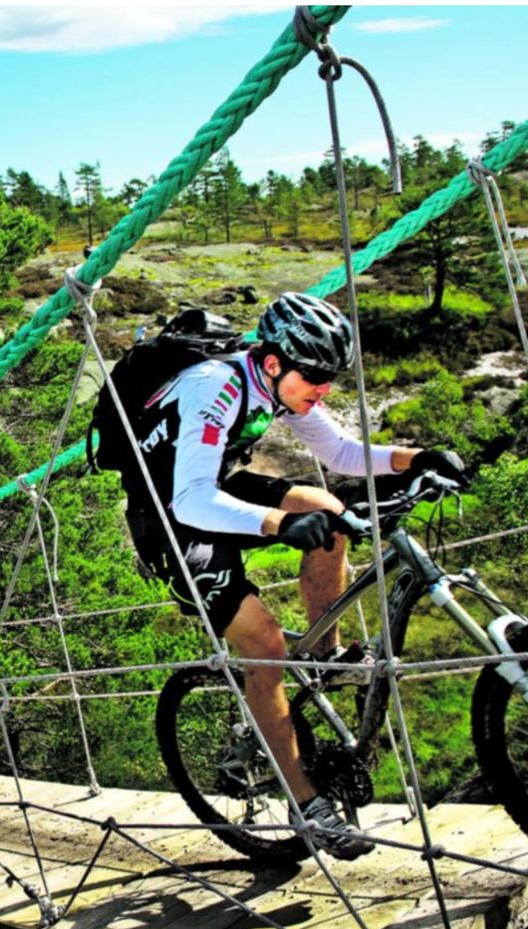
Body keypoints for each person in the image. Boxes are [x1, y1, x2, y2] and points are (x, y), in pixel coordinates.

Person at [127, 291, 464, 859]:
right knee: (264, 645)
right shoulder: (218, 384)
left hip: (210, 489)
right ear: (276, 361)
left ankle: (325, 658)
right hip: (168, 518)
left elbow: (342, 454)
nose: (325, 389)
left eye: (332, 377)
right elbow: (187, 503)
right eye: (316, 375)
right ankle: (306, 803)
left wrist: (417, 457)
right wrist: (278, 525)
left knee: (328, 511)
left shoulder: (281, 388)